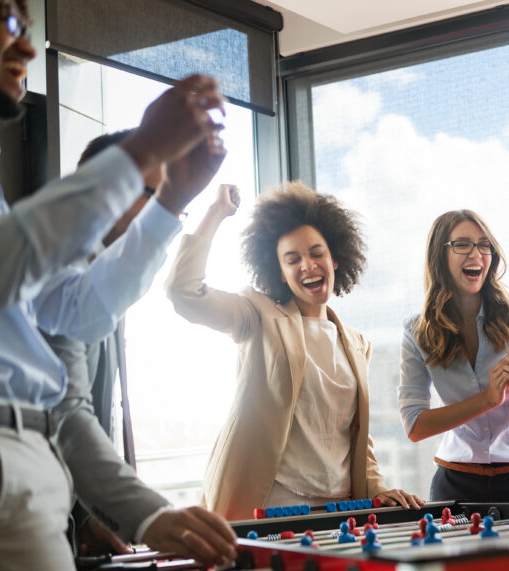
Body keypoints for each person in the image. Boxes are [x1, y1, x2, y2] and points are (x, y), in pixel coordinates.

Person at [0, 0, 237, 571]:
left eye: (30, 23)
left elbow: (75, 308)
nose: (26, 45)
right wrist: (139, 155)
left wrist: (173, 200)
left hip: (30, 465)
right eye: (5, 17)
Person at [42, 129, 209, 571]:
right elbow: (66, 418)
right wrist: (152, 517)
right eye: (155, 200)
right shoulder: (65, 270)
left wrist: (87, 516)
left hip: (61, 523)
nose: (162, 224)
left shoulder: (102, 281)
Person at [166, 181, 424, 520]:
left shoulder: (357, 343)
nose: (308, 265)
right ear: (281, 274)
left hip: (339, 511)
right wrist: (215, 212)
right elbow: (183, 292)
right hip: (271, 506)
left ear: (335, 259)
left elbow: (355, 436)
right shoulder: (257, 315)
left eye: (317, 253)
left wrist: (378, 489)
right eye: (293, 259)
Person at [399, 210, 509, 502]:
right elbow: (414, 425)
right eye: (462, 244)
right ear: (439, 255)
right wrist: (487, 399)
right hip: (455, 484)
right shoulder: (416, 331)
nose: (476, 253)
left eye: (484, 245)